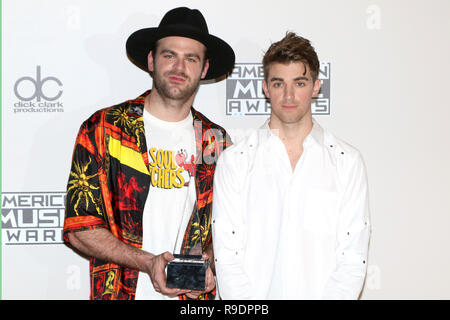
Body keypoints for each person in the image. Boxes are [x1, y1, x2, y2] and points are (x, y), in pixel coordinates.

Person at [63, 7, 234, 300]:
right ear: (152, 60)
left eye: (191, 58)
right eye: (170, 55)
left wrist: (210, 264)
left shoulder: (215, 141)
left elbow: (230, 231)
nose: (179, 67)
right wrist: (148, 263)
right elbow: (80, 227)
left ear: (204, 69)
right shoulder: (104, 129)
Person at [212, 32, 371, 299]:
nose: (288, 95)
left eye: (299, 82)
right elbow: (227, 258)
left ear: (316, 87)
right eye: (278, 83)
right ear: (265, 88)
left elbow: (353, 259)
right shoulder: (235, 161)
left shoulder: (347, 162)